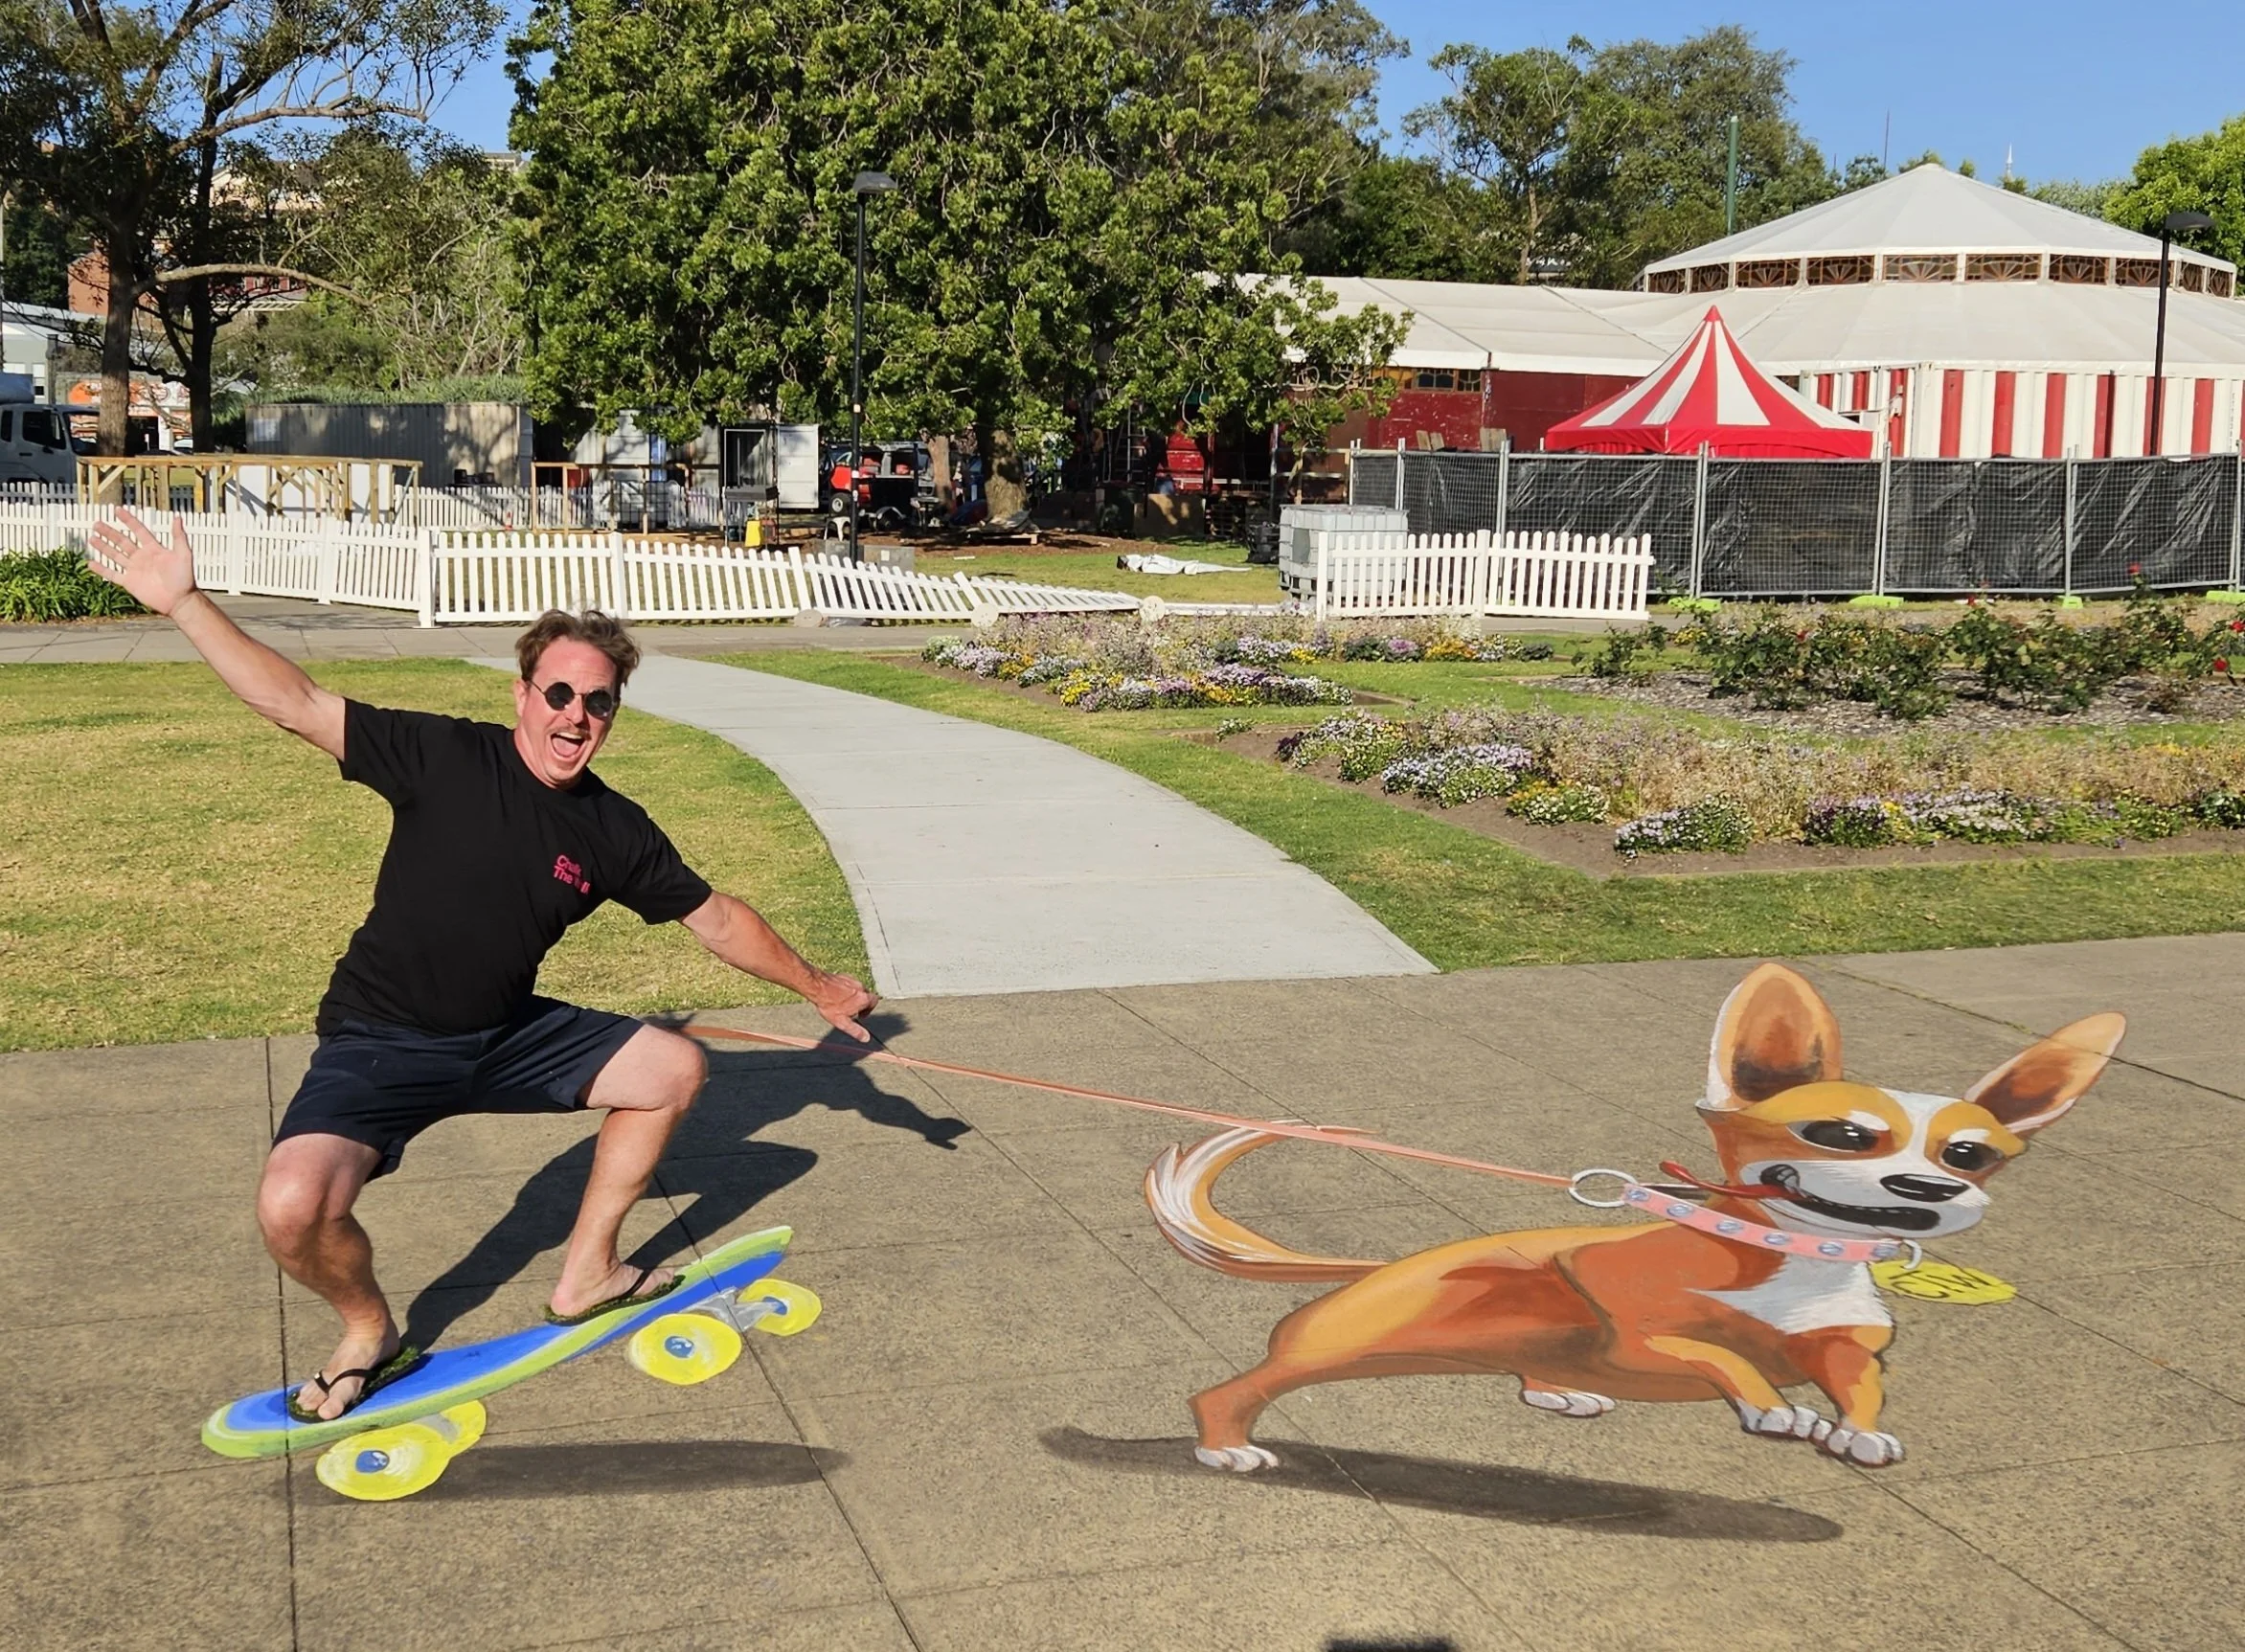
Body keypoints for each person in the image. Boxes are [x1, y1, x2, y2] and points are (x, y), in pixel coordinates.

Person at [84, 512, 878, 1423]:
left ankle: (589, 1272)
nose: (575, 715)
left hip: (504, 1033)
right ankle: (369, 1330)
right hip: (381, 1037)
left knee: (672, 1068)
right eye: (559, 693)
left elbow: (718, 918)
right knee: (293, 1206)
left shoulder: (613, 828)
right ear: (523, 694)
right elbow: (296, 701)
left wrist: (818, 986)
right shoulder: (445, 756)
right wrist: (186, 601)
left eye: (598, 702)